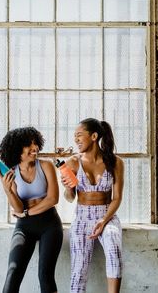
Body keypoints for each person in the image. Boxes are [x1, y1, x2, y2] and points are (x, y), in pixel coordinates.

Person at [61, 118, 124, 293]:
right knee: (78, 269)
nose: (76, 140)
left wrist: (103, 221)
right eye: (75, 136)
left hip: (107, 216)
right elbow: (69, 198)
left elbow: (117, 198)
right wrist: (68, 187)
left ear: (94, 136)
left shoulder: (116, 162)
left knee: (113, 249)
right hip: (81, 218)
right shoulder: (72, 162)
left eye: (79, 135)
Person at [0, 127, 63, 293]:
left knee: (45, 276)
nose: (35, 148)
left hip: (50, 224)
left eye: (36, 143)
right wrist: (7, 190)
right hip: (24, 227)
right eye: (29, 145)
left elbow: (52, 199)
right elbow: (18, 207)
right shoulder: (12, 172)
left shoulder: (46, 166)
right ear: (17, 148)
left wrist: (26, 213)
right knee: (13, 273)